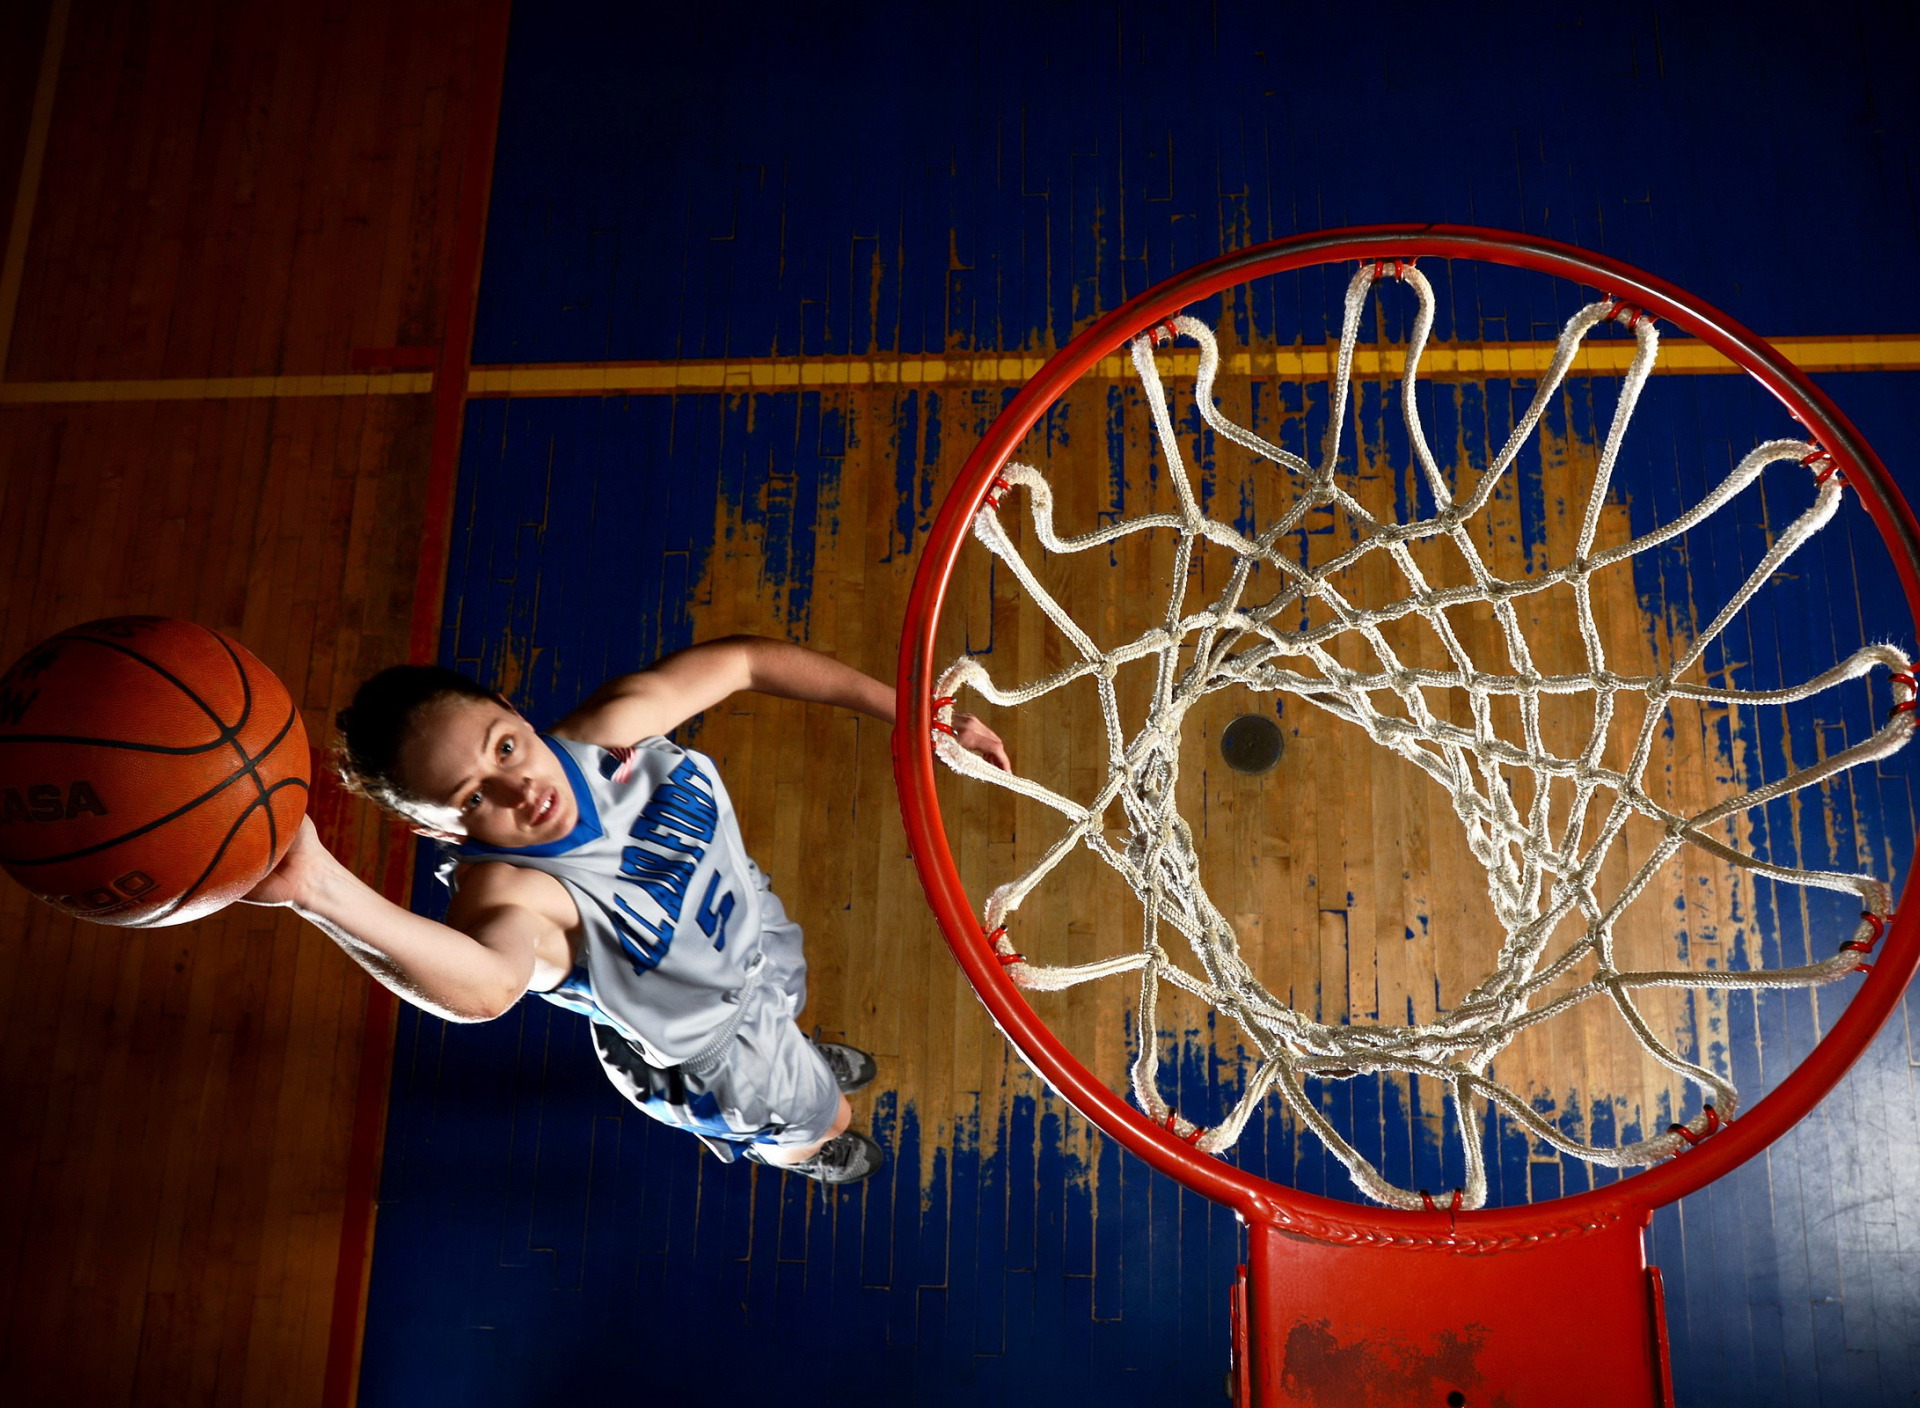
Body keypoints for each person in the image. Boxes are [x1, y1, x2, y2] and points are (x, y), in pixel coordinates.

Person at [244, 636, 1008, 1183]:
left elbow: (748, 661)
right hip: (715, 1056)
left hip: (751, 935)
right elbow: (486, 987)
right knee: (822, 1118)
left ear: (512, 710)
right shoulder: (512, 893)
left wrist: (917, 716)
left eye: (504, 747)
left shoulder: (609, 733)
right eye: (472, 797)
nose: (518, 789)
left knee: (790, 999)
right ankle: (802, 1150)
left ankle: (800, 1062)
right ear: (436, 830)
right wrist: (319, 889)